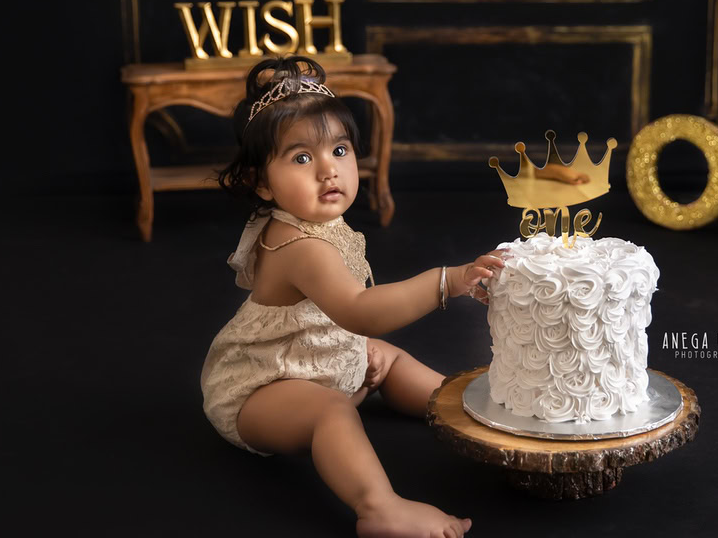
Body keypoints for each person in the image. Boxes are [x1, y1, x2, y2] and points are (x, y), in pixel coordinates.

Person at [201, 55, 504, 538]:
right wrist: (447, 280)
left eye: (339, 150)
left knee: (388, 358)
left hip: (315, 357)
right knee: (332, 410)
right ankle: (379, 507)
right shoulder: (298, 245)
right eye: (302, 158)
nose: (329, 171)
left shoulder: (315, 222)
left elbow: (338, 324)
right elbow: (359, 312)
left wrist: (355, 353)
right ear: (262, 182)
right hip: (260, 390)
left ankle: (463, 405)